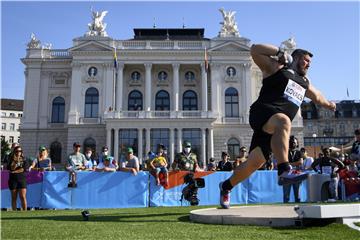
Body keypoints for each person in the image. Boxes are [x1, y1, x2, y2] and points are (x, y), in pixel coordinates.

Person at [219, 44, 336, 209]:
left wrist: (330, 104)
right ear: (295, 58)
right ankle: (284, 170)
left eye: (310, 62)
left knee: (254, 163)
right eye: (305, 60)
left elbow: (317, 96)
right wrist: (280, 53)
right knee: (284, 120)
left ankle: (225, 187)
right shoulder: (277, 67)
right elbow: (255, 50)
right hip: (263, 112)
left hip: (274, 128)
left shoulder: (304, 82)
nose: (308, 64)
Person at [7, 146, 28, 210]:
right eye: (17, 151)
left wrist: (14, 171)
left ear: (21, 152)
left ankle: (25, 212)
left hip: (22, 179)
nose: (18, 152)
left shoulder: (24, 159)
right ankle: (14, 212)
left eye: (20, 151)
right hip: (13, 180)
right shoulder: (11, 159)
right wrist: (15, 162)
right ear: (14, 152)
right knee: (14, 197)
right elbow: (11, 168)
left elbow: (23, 169)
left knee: (23, 196)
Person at [283, 136, 303, 203]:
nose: (293, 144)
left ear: (297, 143)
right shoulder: (285, 152)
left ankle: (298, 207)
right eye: (291, 142)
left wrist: (289, 164)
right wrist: (295, 163)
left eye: (294, 142)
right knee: (286, 194)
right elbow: (284, 162)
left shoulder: (299, 152)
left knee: (298, 194)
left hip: (297, 174)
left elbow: (300, 162)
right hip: (287, 175)